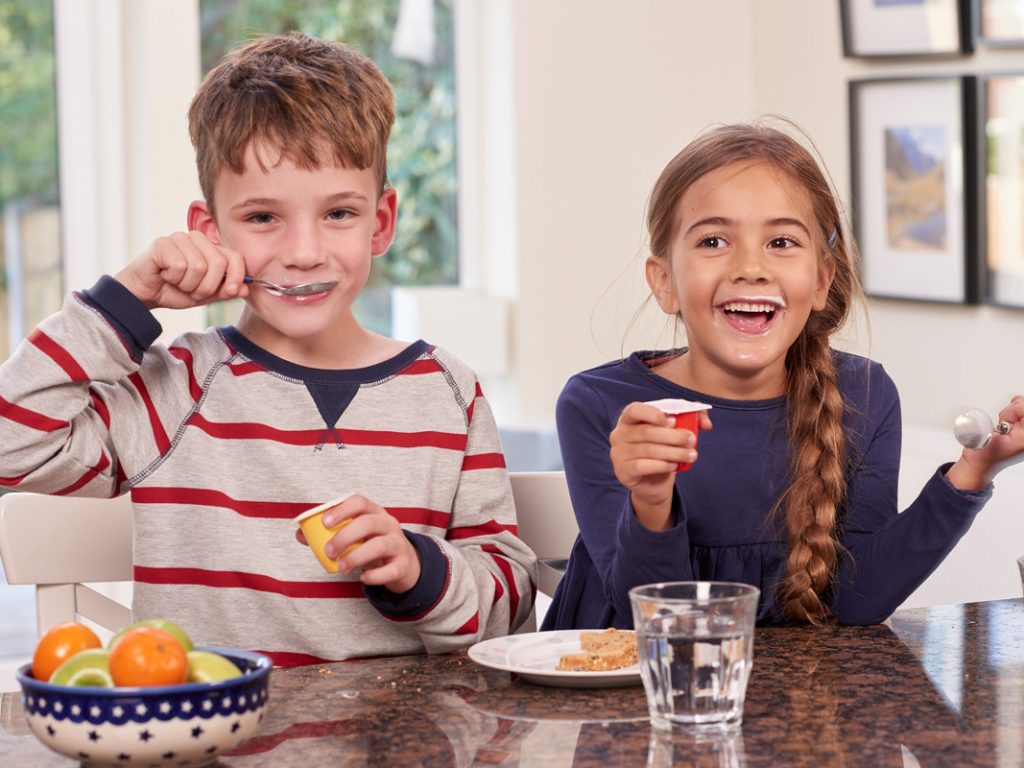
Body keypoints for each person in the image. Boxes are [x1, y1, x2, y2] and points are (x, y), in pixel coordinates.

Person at [0, 33, 535, 664]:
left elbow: (510, 608)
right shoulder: (176, 387)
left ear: (381, 223)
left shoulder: (449, 392)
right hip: (212, 749)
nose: (304, 251)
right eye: (262, 218)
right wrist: (125, 301)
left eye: (339, 213)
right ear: (209, 231)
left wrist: (419, 569)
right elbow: (13, 443)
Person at [542, 121, 1024, 629]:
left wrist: (972, 471)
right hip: (626, 694)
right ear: (665, 282)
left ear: (821, 280)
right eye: (712, 240)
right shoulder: (600, 404)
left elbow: (857, 604)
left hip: (794, 702)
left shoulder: (862, 395)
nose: (751, 267)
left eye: (781, 242)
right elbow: (662, 617)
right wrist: (652, 497)